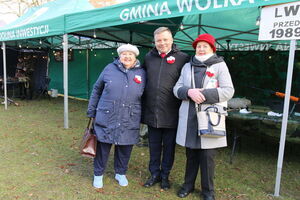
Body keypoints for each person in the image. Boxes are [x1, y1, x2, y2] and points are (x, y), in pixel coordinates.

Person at [173, 33, 234, 200]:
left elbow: (229, 91)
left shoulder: (220, 65)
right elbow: (176, 88)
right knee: (191, 154)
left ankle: (208, 192)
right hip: (190, 116)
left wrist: (204, 94)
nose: (200, 49)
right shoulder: (187, 66)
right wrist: (188, 92)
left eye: (204, 46)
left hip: (209, 118)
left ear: (212, 48)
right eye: (198, 46)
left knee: (207, 158)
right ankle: (188, 186)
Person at [86, 44, 146, 189]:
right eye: (124, 54)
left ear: (135, 57)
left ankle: (120, 173)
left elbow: (146, 96)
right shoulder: (109, 69)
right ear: (119, 56)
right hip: (108, 115)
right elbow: (97, 89)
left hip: (130, 116)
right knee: (103, 147)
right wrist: (91, 110)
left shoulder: (142, 72)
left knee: (125, 147)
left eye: (130, 54)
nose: (127, 56)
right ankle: (98, 174)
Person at [142, 27, 190, 190]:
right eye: (158, 40)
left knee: (169, 148)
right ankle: (154, 174)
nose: (161, 43)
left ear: (171, 40)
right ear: (154, 42)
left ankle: (165, 176)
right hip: (152, 112)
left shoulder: (183, 58)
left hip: (172, 113)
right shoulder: (148, 57)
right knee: (154, 146)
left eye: (164, 39)